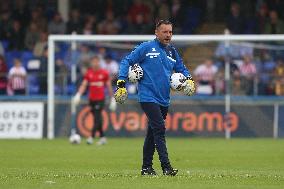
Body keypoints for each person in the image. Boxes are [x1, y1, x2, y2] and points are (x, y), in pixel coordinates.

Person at [114, 20, 195, 176]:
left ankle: (146, 168)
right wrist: (121, 82)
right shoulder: (146, 47)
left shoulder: (172, 51)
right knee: (159, 129)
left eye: (170, 32)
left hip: (164, 98)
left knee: (152, 133)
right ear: (156, 33)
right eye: (164, 32)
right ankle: (166, 167)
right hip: (147, 97)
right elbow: (127, 61)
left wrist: (189, 78)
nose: (168, 35)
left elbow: (181, 68)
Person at [72, 56, 117, 145]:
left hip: (100, 99)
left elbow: (108, 86)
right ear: (91, 63)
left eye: (97, 62)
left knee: (97, 117)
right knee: (97, 118)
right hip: (91, 99)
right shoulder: (89, 73)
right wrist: (78, 94)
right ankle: (103, 137)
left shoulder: (104, 73)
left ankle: (91, 137)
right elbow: (84, 85)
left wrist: (112, 98)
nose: (95, 63)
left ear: (99, 62)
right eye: (93, 62)